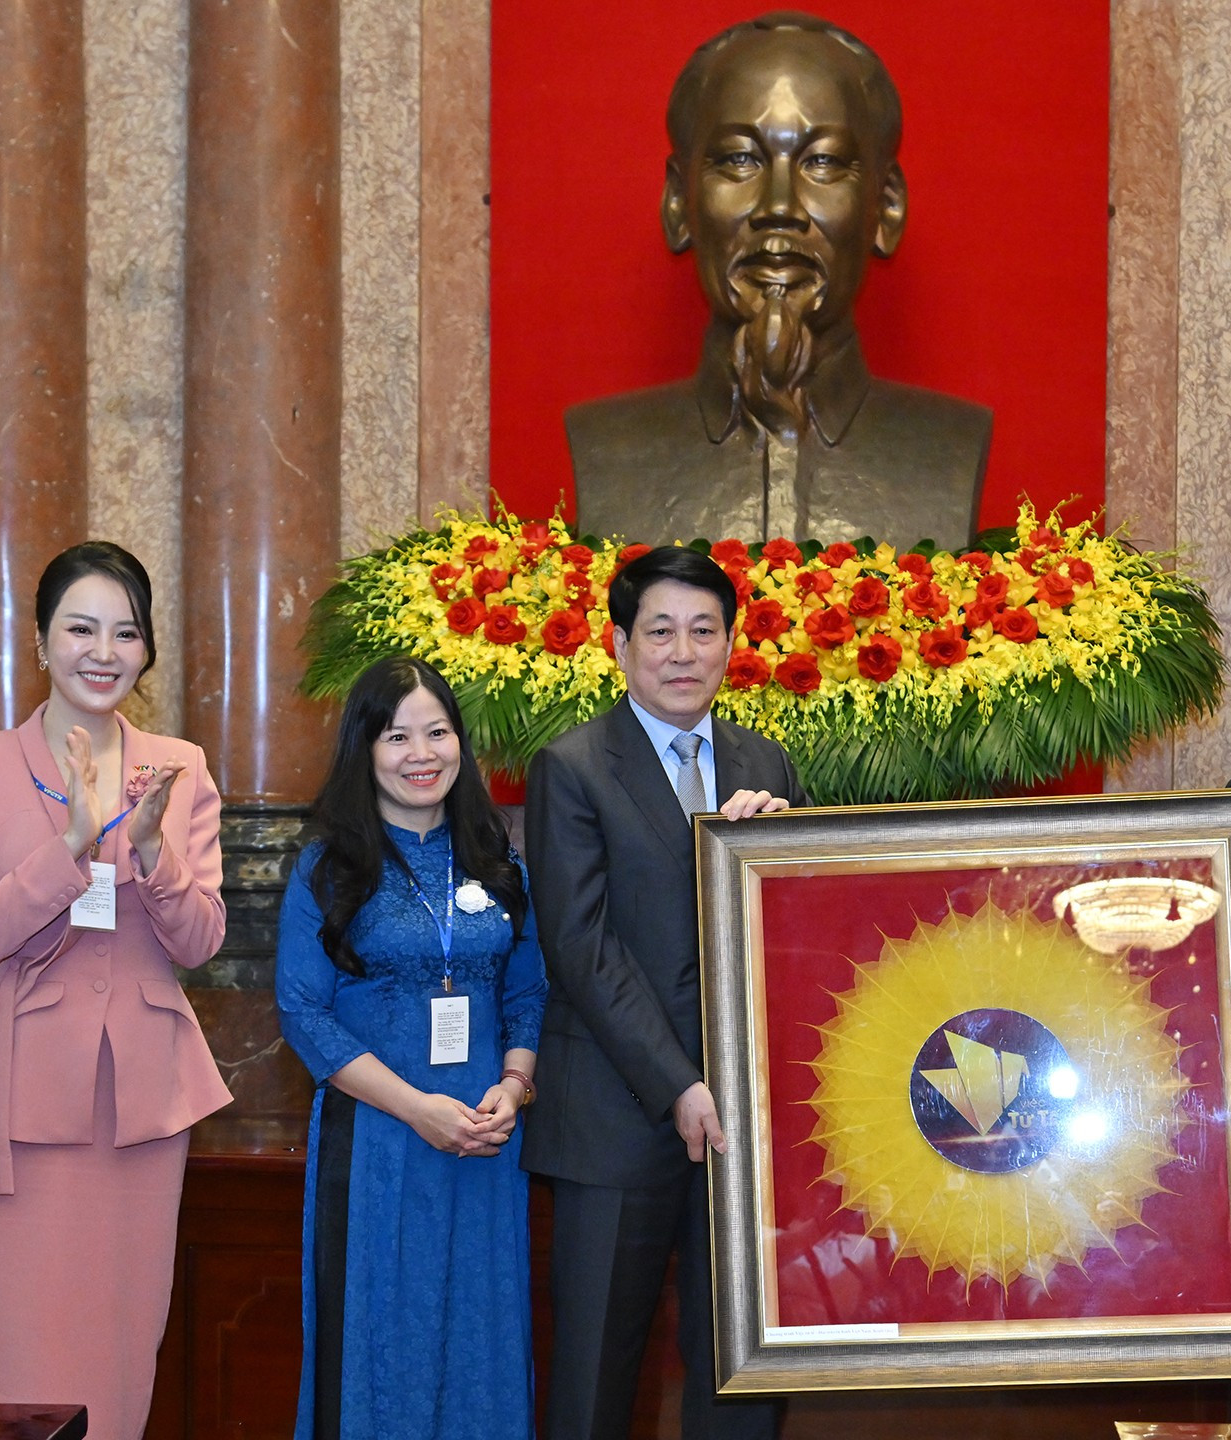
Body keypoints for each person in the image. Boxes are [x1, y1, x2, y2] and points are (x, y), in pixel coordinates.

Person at [0, 541, 233, 1439]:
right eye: (81, 629)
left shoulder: (179, 765)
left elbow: (199, 941)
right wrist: (67, 847)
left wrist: (150, 849)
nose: (104, 652)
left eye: (125, 633)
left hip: (141, 1094)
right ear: (40, 640)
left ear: (147, 649)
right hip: (16, 1090)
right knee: (29, 1352)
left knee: (123, 1344)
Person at [522, 546, 809, 1440]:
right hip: (616, 1114)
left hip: (744, 1129)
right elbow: (581, 947)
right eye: (660, 632)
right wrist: (679, 1080)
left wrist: (790, 852)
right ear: (619, 644)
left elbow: (804, 933)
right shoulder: (573, 767)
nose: (683, 653)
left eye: (703, 631)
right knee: (595, 1380)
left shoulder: (768, 763)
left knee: (740, 1378)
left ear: (731, 643)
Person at [567, 12, 990, 548]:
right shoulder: (607, 447)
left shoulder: (951, 446)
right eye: (740, 159)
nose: (780, 207)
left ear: (885, 207)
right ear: (678, 202)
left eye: (823, 161)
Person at [275, 656, 546, 1440]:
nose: (421, 754)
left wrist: (514, 1087)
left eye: (438, 733)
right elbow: (303, 1012)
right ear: (364, 748)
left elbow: (528, 992)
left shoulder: (498, 860)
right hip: (378, 1141)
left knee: (480, 1342)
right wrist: (416, 1108)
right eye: (397, 736)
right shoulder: (328, 866)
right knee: (381, 1346)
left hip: (485, 1142)